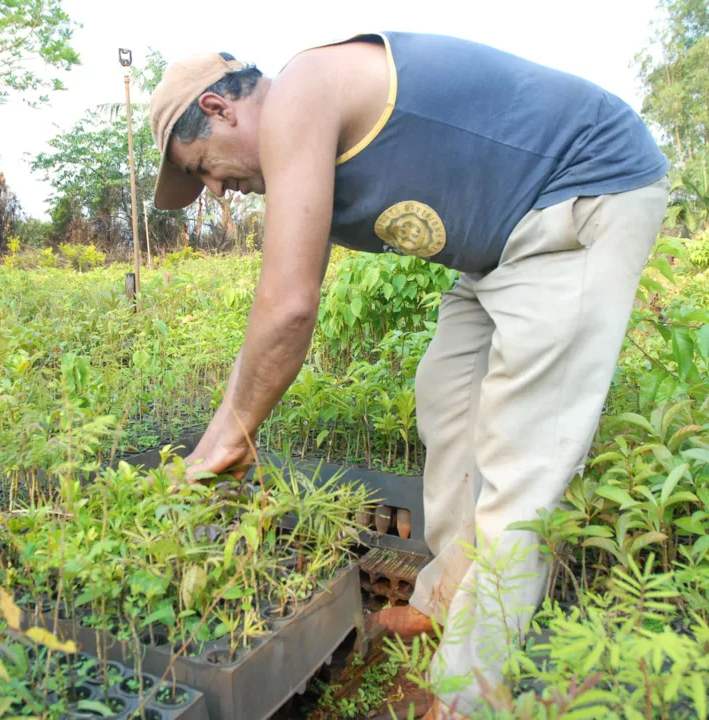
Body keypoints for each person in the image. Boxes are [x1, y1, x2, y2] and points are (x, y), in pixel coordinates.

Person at [148, 31, 669, 718]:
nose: (216, 189)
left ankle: (470, 693)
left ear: (219, 108)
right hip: (501, 245)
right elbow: (276, 294)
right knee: (446, 396)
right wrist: (233, 419)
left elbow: (289, 306)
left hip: (580, 194)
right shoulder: (298, 145)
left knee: (524, 465)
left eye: (203, 168)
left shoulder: (301, 91)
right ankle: (448, 598)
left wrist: (228, 432)